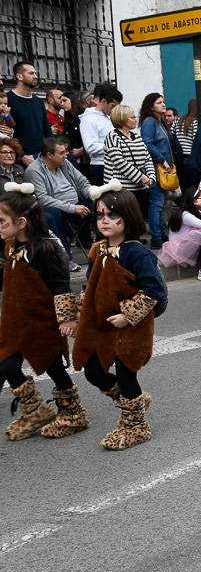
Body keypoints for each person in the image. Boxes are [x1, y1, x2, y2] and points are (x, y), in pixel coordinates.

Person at [72, 184, 165, 450]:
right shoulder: (97, 250)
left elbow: (153, 290)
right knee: (93, 372)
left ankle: (136, 426)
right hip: (103, 327)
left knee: (126, 375)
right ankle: (132, 399)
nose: (105, 221)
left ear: (128, 216)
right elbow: (91, 287)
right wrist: (78, 316)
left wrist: (127, 315)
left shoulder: (137, 253)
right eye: (100, 215)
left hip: (131, 328)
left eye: (113, 215)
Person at [0, 184, 87, 441]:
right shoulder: (12, 246)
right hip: (16, 324)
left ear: (22, 222)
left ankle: (73, 413)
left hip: (42, 323)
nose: (0, 224)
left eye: (2, 220)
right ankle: (35, 410)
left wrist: (67, 318)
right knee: (7, 365)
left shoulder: (44, 251)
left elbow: (60, 286)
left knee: (53, 367)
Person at [23, 137, 93, 270]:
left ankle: (108, 250)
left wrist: (96, 196)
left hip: (77, 204)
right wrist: (72, 208)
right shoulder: (34, 170)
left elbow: (82, 182)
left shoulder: (65, 163)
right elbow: (43, 199)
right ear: (49, 155)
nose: (65, 155)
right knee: (52, 214)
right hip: (58, 208)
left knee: (103, 205)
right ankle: (66, 258)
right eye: (61, 153)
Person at [103, 105, 156, 242]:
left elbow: (147, 157)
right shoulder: (113, 137)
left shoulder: (136, 137)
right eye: (132, 117)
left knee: (135, 220)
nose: (135, 120)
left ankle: (134, 242)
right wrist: (141, 177)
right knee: (124, 221)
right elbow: (119, 162)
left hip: (139, 189)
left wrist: (150, 176)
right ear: (122, 118)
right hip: (122, 189)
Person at [158, 186, 201, 279]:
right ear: (193, 200)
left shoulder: (198, 212)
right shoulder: (185, 215)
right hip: (180, 249)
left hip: (190, 246)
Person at [138, 93, 173, 249]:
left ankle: (161, 234)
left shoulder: (160, 122)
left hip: (164, 168)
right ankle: (156, 237)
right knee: (156, 203)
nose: (163, 104)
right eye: (159, 102)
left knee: (162, 202)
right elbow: (148, 144)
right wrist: (162, 160)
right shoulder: (150, 122)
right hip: (156, 166)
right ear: (151, 106)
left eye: (163, 101)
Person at [79, 83, 122, 186]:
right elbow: (91, 147)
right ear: (103, 101)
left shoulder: (109, 117)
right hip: (100, 166)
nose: (114, 110)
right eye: (113, 106)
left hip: (115, 164)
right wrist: (115, 147)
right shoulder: (89, 119)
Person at [6, 62, 47, 163]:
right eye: (31, 73)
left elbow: (46, 131)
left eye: (35, 73)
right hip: (20, 158)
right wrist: (22, 155)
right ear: (19, 76)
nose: (35, 76)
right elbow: (5, 134)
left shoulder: (38, 102)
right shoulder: (7, 100)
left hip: (42, 156)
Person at [172, 98, 199, 189]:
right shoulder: (195, 121)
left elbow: (172, 135)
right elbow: (196, 140)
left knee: (185, 187)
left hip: (179, 158)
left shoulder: (178, 120)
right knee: (195, 188)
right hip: (191, 158)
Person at [59, 92, 86, 164]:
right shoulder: (67, 120)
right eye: (61, 102)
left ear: (73, 100)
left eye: (64, 101)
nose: (62, 104)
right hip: (71, 158)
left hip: (86, 158)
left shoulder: (85, 115)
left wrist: (80, 151)